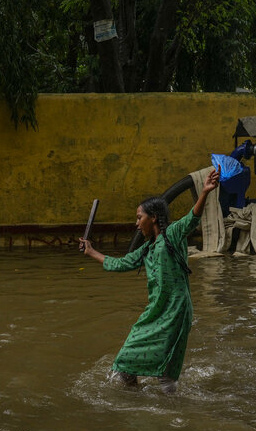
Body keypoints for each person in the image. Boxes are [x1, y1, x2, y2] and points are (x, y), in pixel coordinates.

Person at [79, 168, 220, 392]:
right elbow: (121, 263)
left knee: (165, 372)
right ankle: (137, 398)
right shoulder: (147, 249)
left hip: (175, 309)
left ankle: (170, 409)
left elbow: (191, 219)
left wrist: (204, 193)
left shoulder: (172, 235)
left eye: (139, 218)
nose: (136, 224)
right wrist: (91, 252)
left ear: (153, 218)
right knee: (124, 365)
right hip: (155, 311)